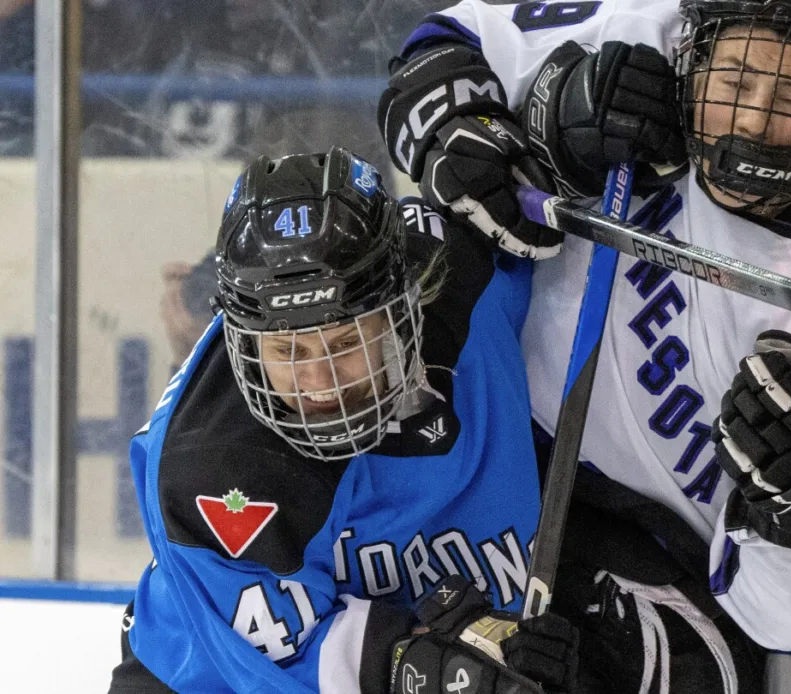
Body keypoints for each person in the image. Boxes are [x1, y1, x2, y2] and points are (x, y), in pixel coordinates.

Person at [378, 1, 791, 690]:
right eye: (735, 83)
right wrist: (527, 118)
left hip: (631, 555)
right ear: (696, 48)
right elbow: (438, 46)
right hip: (476, 432)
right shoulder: (640, 33)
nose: (753, 119)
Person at [108, 146, 579, 693]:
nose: (318, 384)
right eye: (288, 352)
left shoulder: (466, 280)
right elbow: (293, 666)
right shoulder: (214, 467)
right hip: (208, 676)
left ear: (403, 308)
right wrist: (424, 665)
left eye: (345, 341)